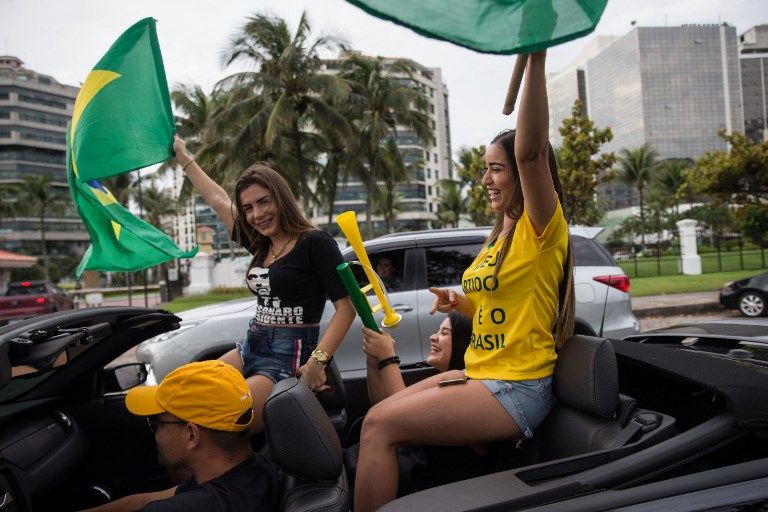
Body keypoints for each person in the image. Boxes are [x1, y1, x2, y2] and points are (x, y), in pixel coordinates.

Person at [353, 51, 576, 512]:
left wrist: (536, 55)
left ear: (522, 175)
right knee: (373, 417)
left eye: (497, 168)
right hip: (481, 373)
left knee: (378, 428)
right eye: (486, 168)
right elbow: (504, 310)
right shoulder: (501, 238)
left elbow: (532, 150)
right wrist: (459, 303)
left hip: (516, 387)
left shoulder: (542, 229)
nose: (486, 179)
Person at [173, 136, 355, 432]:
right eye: (248, 208)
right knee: (188, 391)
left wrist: (318, 362)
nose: (256, 214)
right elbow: (218, 200)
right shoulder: (260, 243)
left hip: (287, 357)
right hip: (251, 346)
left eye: (263, 202)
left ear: (280, 198)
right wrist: (183, 156)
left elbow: (346, 308)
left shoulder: (315, 243)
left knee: (219, 425)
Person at [82, 360, 279, 512]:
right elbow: (147, 500)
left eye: (156, 422)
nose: (154, 433)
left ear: (191, 435)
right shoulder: (256, 468)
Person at [362, 311, 472, 404]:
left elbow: (401, 408)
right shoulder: (443, 382)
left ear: (463, 342)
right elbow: (383, 406)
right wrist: (373, 360)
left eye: (444, 333)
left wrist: (386, 355)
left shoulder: (459, 384)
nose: (432, 337)